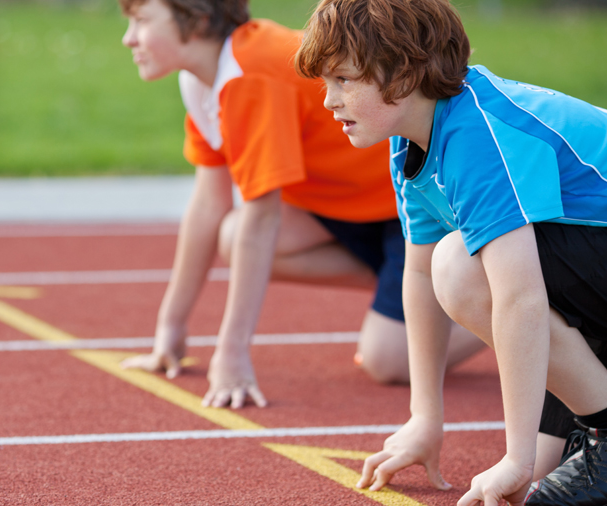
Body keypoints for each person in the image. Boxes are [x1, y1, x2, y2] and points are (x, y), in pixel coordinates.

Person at [295, 0, 607, 505]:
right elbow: (417, 279)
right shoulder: (410, 140)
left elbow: (520, 298)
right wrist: (425, 418)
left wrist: (515, 457)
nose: (329, 101)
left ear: (402, 73)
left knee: (461, 265)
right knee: (539, 489)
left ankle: (602, 427)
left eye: (345, 80)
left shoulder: (476, 132)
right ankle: (593, 425)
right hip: (591, 261)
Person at [116, 0, 484, 409]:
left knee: (388, 361)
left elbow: (262, 217)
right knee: (231, 235)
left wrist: (232, 351)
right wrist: (171, 327)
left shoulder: (250, 71)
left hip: (405, 205)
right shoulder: (201, 81)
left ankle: (523, 315)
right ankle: (400, 282)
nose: (129, 37)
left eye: (142, 20)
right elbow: (208, 203)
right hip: (340, 205)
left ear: (198, 20)